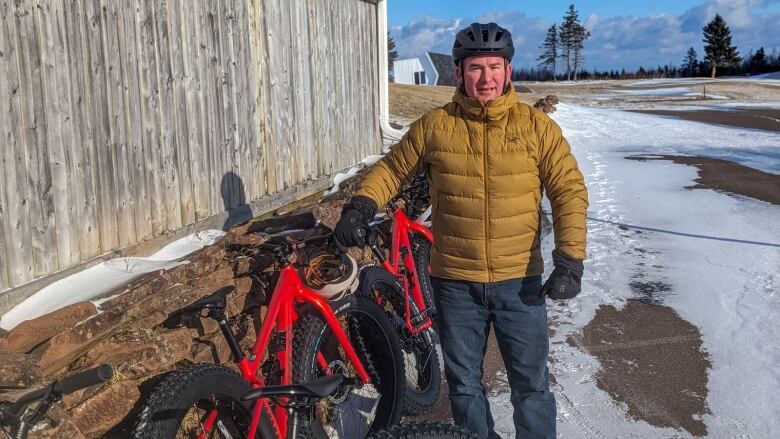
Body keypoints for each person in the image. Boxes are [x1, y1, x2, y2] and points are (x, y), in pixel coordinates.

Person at [335, 22, 588, 439]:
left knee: (531, 387)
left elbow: (569, 192)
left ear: (508, 72)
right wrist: (361, 205)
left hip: (520, 280)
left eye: (494, 67)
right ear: (458, 73)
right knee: (466, 387)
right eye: (475, 68)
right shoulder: (437, 126)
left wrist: (570, 260)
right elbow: (392, 169)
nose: (485, 78)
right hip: (455, 283)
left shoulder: (536, 128)